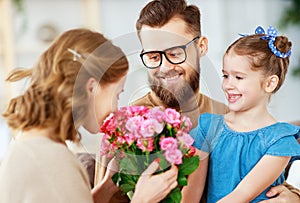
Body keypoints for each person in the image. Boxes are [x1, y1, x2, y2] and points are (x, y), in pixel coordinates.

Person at [130, 0, 300, 202]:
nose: (165, 67)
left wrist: (293, 196)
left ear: (201, 46)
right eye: (152, 56)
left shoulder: (221, 114)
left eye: (175, 53)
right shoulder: (127, 123)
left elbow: (262, 181)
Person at [0, 28, 178, 203]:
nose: (116, 110)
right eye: (117, 95)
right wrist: (142, 200)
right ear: (91, 87)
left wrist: (106, 188)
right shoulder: (52, 160)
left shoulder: (36, 145)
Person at [190, 25, 300, 202]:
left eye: (238, 77)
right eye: (225, 76)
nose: (227, 85)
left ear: (270, 83)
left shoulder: (279, 141)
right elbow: (191, 196)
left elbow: (240, 196)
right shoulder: (208, 127)